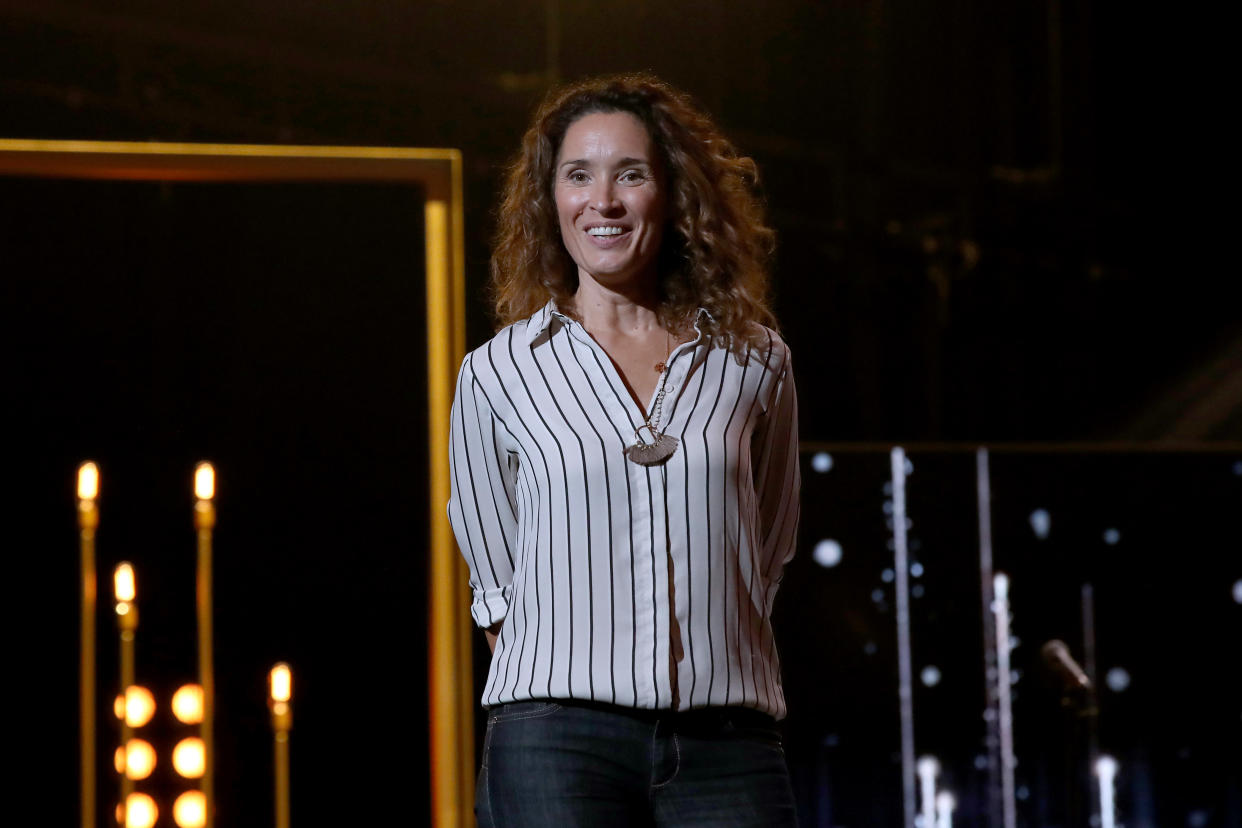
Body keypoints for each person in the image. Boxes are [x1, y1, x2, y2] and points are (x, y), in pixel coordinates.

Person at [448, 73, 800, 827]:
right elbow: (497, 585)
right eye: (578, 175)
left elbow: (766, 544)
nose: (601, 201)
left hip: (728, 737)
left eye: (629, 174)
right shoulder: (496, 372)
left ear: (674, 197)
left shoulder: (755, 359)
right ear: (550, 199)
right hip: (555, 744)